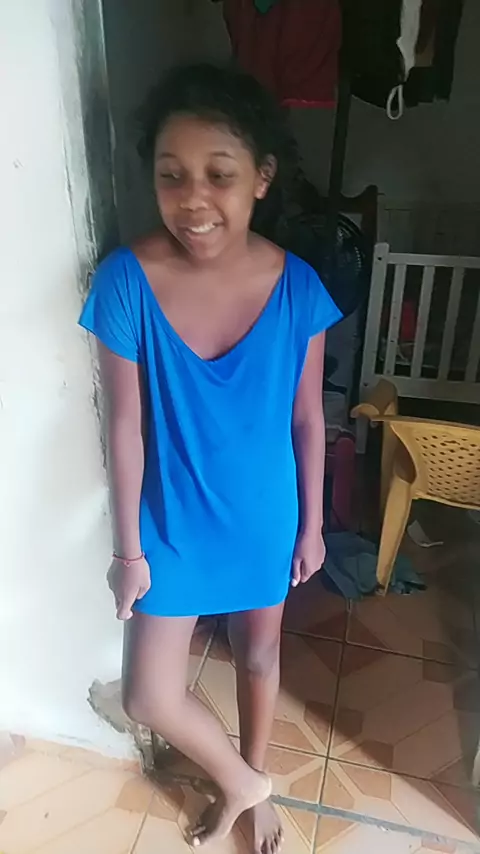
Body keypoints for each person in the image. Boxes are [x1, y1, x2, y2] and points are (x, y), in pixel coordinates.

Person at [79, 64, 342, 852]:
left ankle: (250, 791)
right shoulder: (126, 282)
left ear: (261, 177)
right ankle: (243, 781)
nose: (193, 199)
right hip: (171, 523)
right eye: (172, 175)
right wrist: (128, 551)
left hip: (265, 514)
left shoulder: (298, 288)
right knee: (148, 694)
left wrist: (313, 525)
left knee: (259, 655)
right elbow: (124, 426)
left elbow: (308, 419)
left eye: (218, 175)